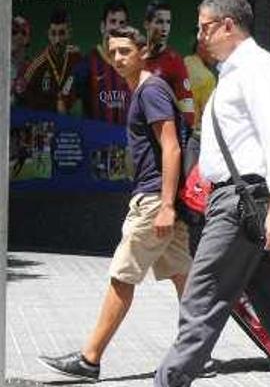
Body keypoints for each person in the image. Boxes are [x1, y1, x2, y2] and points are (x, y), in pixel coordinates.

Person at [154, 0, 270, 387]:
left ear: (228, 25)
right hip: (239, 202)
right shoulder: (235, 72)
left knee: (203, 298)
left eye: (204, 28)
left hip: (243, 204)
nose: (200, 37)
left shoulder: (258, 69)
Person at [38, 26, 192, 382]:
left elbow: (171, 146)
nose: (119, 58)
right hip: (160, 198)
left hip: (155, 201)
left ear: (142, 51)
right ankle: (199, 349)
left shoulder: (150, 89)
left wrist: (167, 205)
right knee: (185, 279)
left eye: (125, 50)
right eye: (113, 52)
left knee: (122, 276)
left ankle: (89, 360)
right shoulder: (144, 89)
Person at [19, 8, 85, 114]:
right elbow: (22, 96)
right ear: (48, 34)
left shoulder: (76, 58)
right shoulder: (38, 64)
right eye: (53, 34)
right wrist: (53, 105)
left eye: (62, 33)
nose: (57, 40)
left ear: (70, 33)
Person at [143, 0, 196, 127]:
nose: (165, 28)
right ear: (147, 24)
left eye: (168, 22)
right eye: (159, 22)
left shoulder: (174, 61)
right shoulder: (135, 58)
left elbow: (188, 111)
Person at [85, 0, 131, 124]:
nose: (117, 27)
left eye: (122, 23)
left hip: (127, 141)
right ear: (102, 27)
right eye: (112, 21)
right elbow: (63, 101)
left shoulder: (135, 64)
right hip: (98, 141)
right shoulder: (88, 62)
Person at [11, 15, 32, 105]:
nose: (18, 36)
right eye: (13, 32)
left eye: (23, 33)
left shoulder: (31, 69)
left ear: (27, 39)